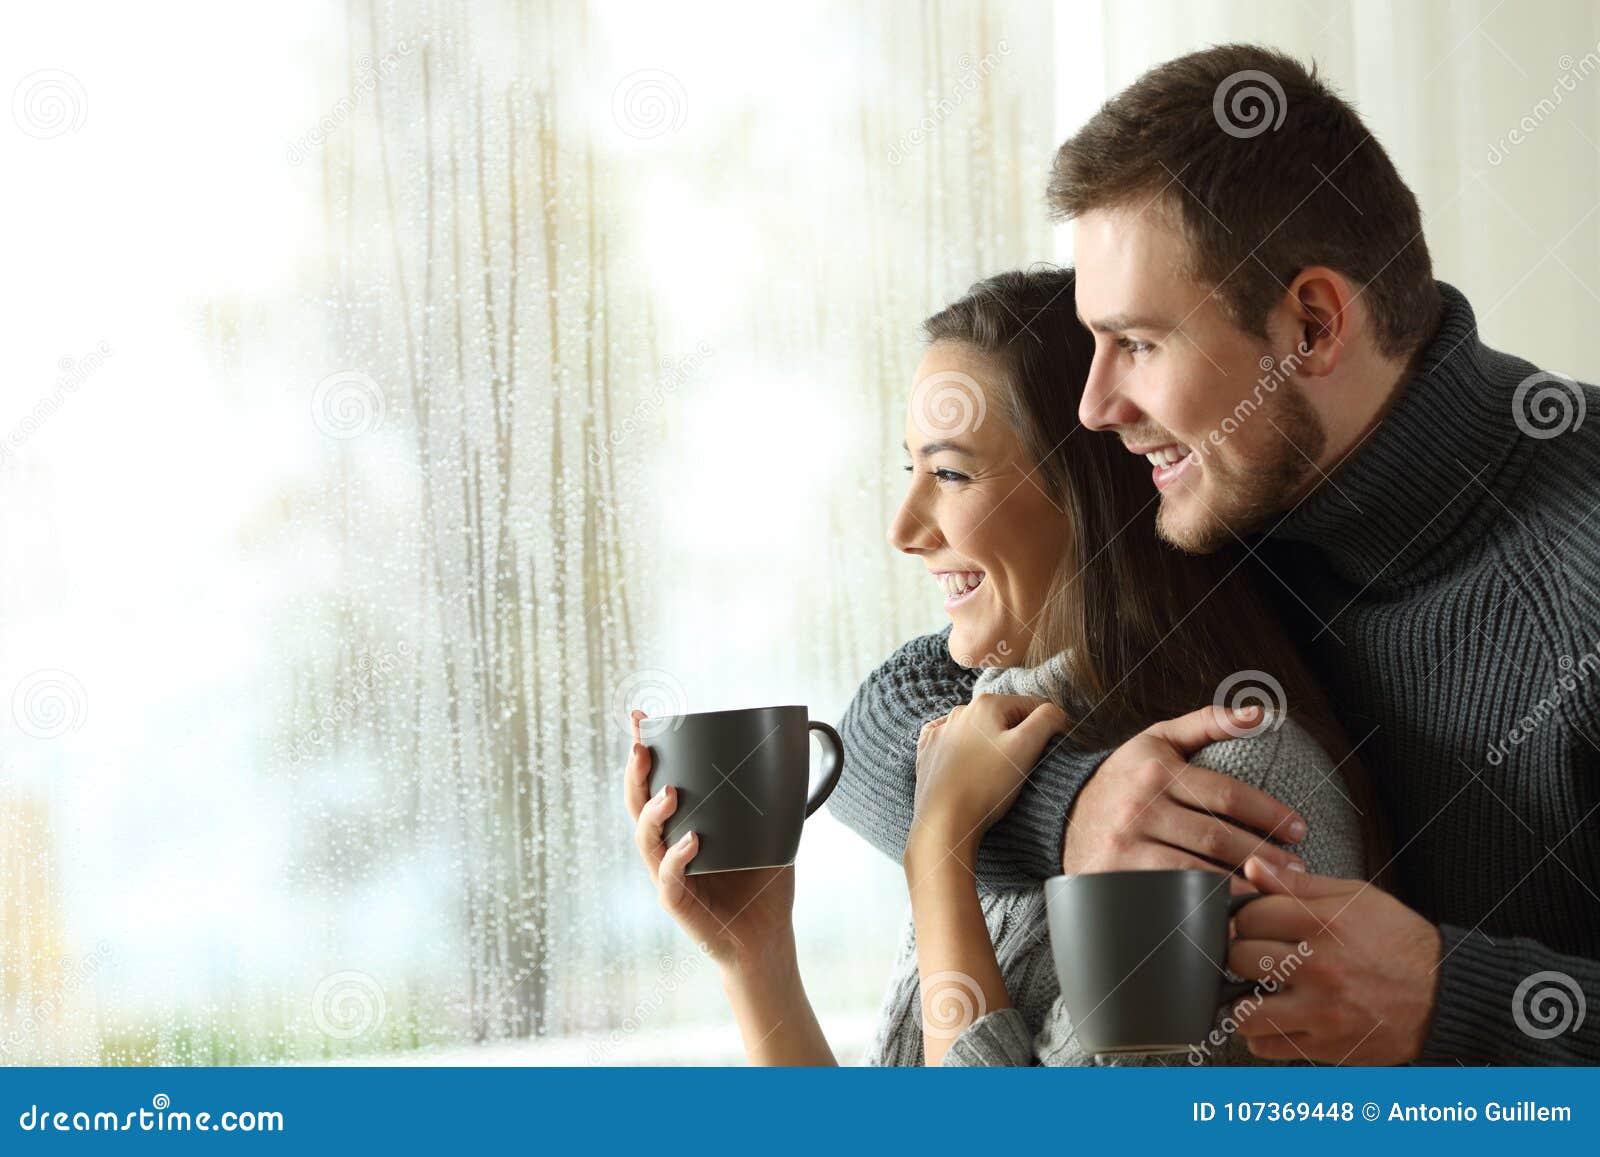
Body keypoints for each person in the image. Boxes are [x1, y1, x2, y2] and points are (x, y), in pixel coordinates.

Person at [831, 44, 1600, 1065]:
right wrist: (1078, 807)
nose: (1097, 407)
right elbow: (890, 716)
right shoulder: (1231, 499)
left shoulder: (1570, 564)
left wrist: (1455, 998)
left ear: (1312, 323)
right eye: (1093, 341)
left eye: (1139, 345)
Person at [624, 268, 1373, 1065]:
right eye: (910, 469)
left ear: (1092, 492)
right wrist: (757, 957)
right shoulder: (991, 752)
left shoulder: (1225, 801)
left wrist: (939, 848)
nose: (904, 527)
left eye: (949, 473)